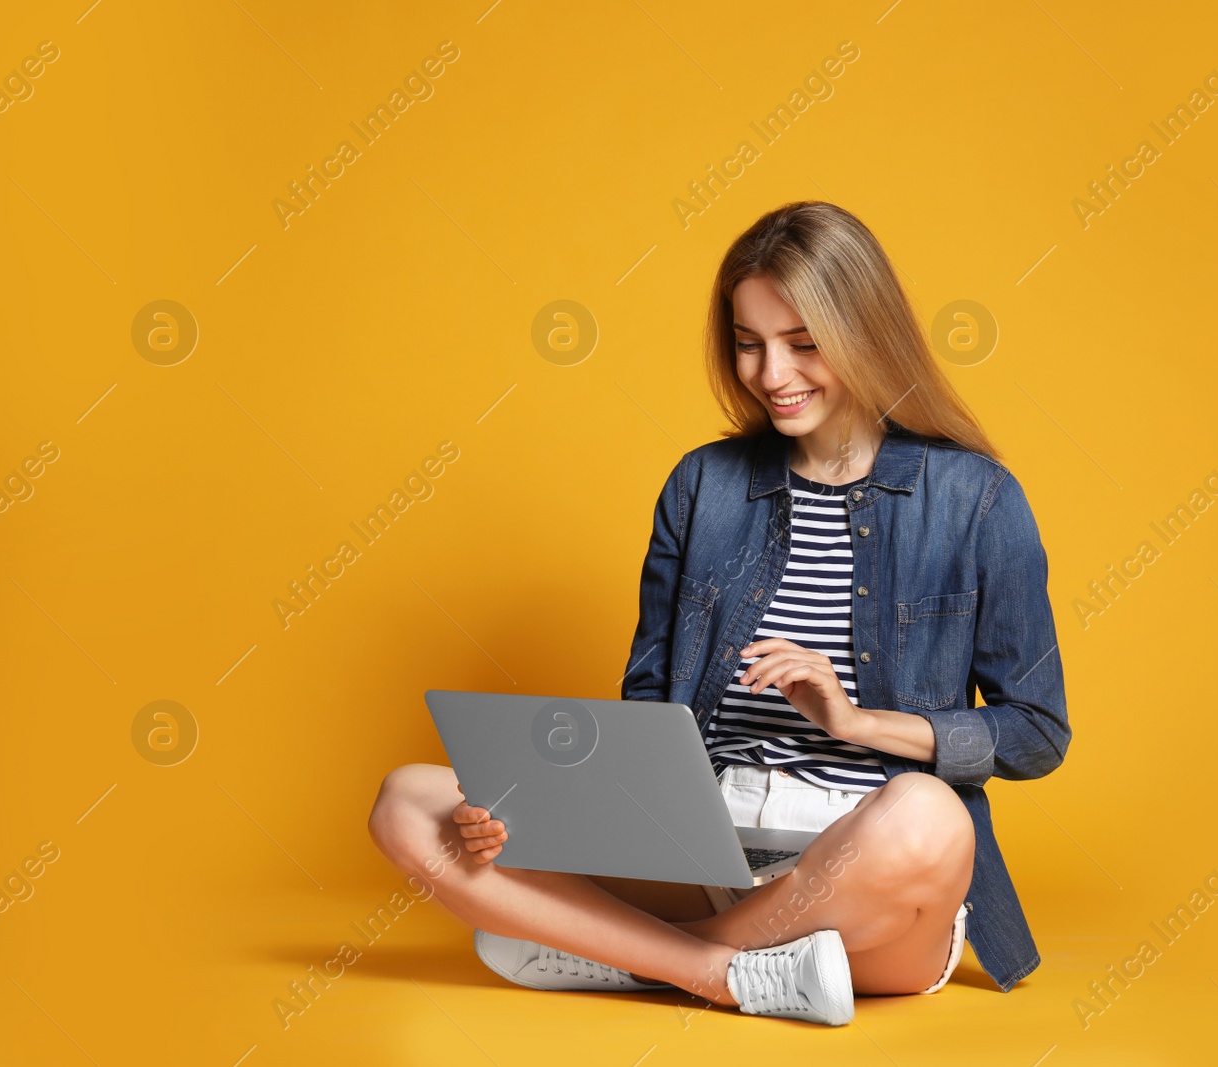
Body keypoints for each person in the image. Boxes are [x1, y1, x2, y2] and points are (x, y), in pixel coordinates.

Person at [368, 201, 1071, 1026]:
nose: (772, 374)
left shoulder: (978, 499)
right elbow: (646, 713)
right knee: (410, 797)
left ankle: (616, 952)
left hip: (866, 873)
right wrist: (530, 816)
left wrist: (854, 722)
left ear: (867, 331)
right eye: (749, 342)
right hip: (704, 843)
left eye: (804, 342)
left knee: (931, 819)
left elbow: (1036, 731)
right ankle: (714, 970)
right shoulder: (703, 485)